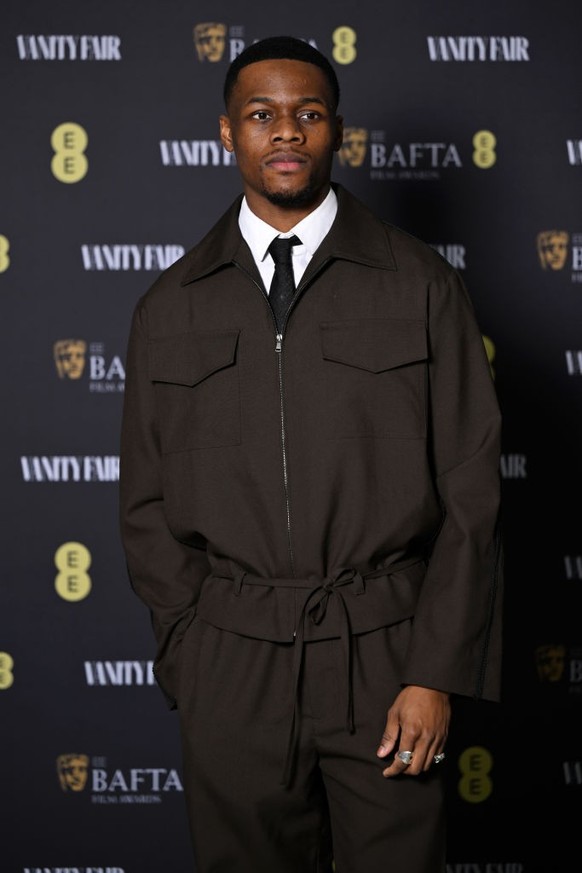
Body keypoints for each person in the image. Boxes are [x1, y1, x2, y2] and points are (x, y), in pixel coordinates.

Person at [119, 35, 503, 873]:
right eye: (262, 116)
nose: (285, 132)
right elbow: (145, 507)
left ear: (336, 132)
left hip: (387, 660)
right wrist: (196, 656)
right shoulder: (168, 305)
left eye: (307, 114)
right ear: (228, 134)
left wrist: (434, 671)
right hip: (233, 665)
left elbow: (473, 495)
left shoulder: (421, 283)